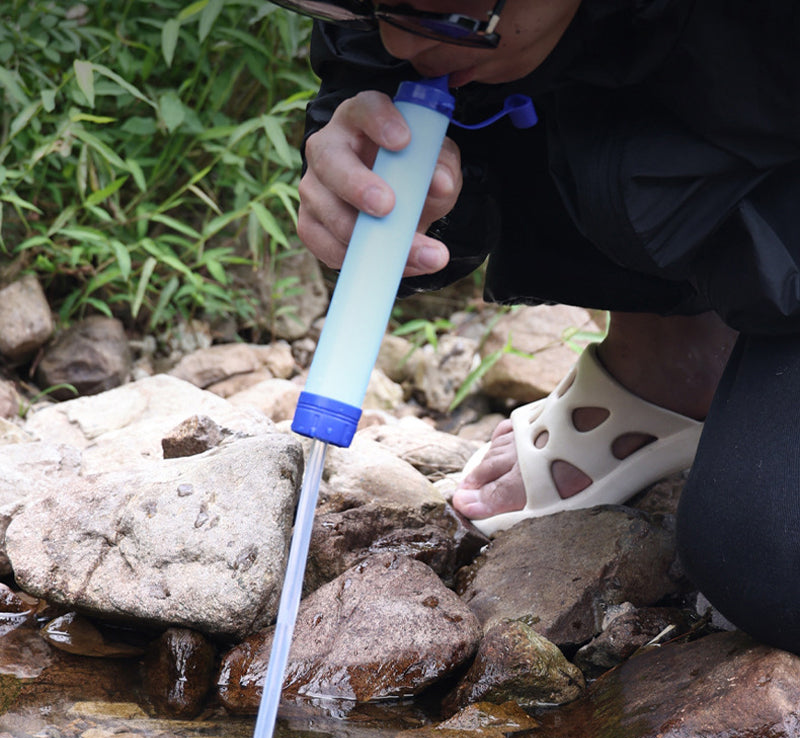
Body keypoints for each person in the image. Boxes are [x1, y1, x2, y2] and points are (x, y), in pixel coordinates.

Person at [274, 1, 800, 653]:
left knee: (770, 558)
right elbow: (373, 58)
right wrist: (377, 166)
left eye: (444, 8)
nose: (395, 40)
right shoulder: (416, 24)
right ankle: (671, 360)